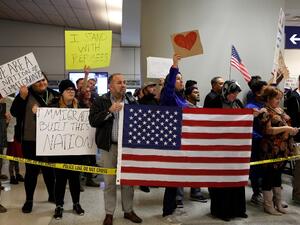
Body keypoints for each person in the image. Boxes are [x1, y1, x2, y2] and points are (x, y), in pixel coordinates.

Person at [89, 73, 142, 225]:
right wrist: (109, 111)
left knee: (128, 181)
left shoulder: (132, 101)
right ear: (110, 86)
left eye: (124, 82)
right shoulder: (101, 100)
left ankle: (128, 211)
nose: (123, 85)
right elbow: (93, 121)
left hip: (127, 148)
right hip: (108, 147)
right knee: (109, 181)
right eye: (119, 82)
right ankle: (109, 213)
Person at [10, 75, 58, 213]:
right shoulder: (25, 94)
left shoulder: (54, 95)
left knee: (50, 170)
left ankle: (52, 195)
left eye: (43, 80)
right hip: (29, 140)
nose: (42, 82)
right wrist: (21, 97)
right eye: (38, 81)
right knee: (31, 171)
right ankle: (29, 200)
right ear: (32, 83)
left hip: (50, 140)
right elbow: (14, 112)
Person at [205, 80, 247, 222]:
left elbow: (244, 118)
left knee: (236, 179)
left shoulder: (238, 103)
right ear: (226, 91)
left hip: (236, 149)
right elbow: (208, 122)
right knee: (222, 181)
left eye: (236, 93)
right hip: (219, 148)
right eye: (232, 93)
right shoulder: (214, 101)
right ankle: (222, 211)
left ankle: (238, 209)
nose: (234, 96)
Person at [259, 86, 298, 215]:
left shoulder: (279, 109)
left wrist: (291, 130)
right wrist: (286, 128)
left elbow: (286, 124)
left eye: (280, 98)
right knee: (269, 177)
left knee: (277, 177)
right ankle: (268, 205)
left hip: (283, 149)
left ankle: (278, 203)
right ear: (268, 98)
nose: (278, 101)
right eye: (276, 98)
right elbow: (268, 130)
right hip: (271, 149)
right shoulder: (264, 111)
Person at [49, 80, 85, 220]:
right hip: (59, 151)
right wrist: (36, 113)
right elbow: (42, 122)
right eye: (67, 89)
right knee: (60, 180)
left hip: (75, 150)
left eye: (72, 89)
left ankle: (76, 203)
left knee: (75, 179)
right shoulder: (53, 106)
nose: (71, 91)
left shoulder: (80, 106)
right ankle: (59, 206)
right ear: (61, 92)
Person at [159, 54, 187, 225]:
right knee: (171, 179)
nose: (180, 81)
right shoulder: (169, 96)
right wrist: (174, 65)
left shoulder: (180, 98)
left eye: (181, 79)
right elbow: (169, 87)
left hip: (181, 140)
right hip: (171, 141)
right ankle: (167, 211)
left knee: (177, 178)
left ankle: (173, 207)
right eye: (177, 79)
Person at [245, 80, 267, 205]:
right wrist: (259, 137)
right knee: (255, 168)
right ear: (258, 93)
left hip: (267, 142)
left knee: (266, 169)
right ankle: (256, 193)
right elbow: (248, 128)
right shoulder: (250, 107)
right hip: (256, 142)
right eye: (265, 90)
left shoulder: (266, 104)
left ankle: (267, 193)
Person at [4, 95, 24, 185]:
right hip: (10, 135)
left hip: (17, 135)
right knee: (12, 158)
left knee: (17, 156)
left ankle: (18, 173)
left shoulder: (17, 105)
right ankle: (12, 175)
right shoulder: (6, 103)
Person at [286, 75, 300, 204]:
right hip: (298, 136)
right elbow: (293, 119)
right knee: (299, 167)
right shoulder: (293, 98)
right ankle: (297, 195)